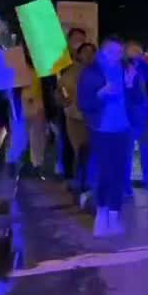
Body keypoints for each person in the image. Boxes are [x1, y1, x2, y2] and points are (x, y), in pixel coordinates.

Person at [79, 36, 145, 237]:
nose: (116, 56)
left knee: (120, 173)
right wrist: (101, 94)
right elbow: (84, 103)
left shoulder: (126, 69)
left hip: (123, 129)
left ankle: (115, 216)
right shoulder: (92, 72)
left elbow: (138, 99)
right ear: (102, 52)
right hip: (101, 130)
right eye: (111, 52)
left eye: (119, 52)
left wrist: (132, 83)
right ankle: (101, 215)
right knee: (105, 173)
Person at [59, 42, 96, 197]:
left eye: (92, 52)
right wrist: (68, 105)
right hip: (77, 120)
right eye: (85, 52)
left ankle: (87, 184)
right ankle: (82, 185)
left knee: (92, 152)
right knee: (82, 151)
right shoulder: (70, 73)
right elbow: (62, 93)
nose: (89, 55)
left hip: (95, 120)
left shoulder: (99, 72)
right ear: (79, 54)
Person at [125, 41, 148, 194]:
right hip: (128, 112)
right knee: (127, 149)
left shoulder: (145, 66)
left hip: (145, 110)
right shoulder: (121, 67)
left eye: (138, 50)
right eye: (133, 50)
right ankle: (125, 183)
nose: (137, 52)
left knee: (147, 146)